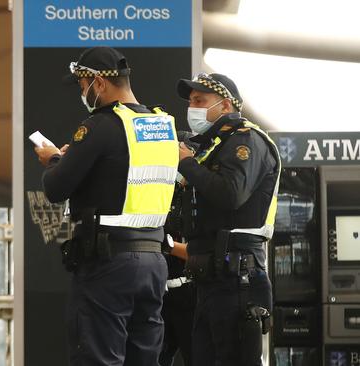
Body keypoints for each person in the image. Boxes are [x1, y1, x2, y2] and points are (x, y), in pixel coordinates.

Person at [34, 47, 179, 366]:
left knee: (98, 357)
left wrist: (54, 159)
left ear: (98, 83)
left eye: (81, 84)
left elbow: (56, 187)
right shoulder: (163, 125)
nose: (81, 92)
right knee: (144, 358)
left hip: (110, 263)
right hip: (154, 262)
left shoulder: (101, 125)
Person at [173, 73, 280, 365]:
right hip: (210, 277)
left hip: (238, 276)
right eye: (190, 101)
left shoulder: (247, 140)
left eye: (200, 100)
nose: (192, 107)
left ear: (225, 105)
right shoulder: (213, 146)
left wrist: (186, 164)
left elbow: (231, 194)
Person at [158, 132, 198, 366]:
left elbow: (203, 250)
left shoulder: (202, 195)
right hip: (160, 294)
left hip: (192, 293)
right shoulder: (165, 193)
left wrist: (167, 245)